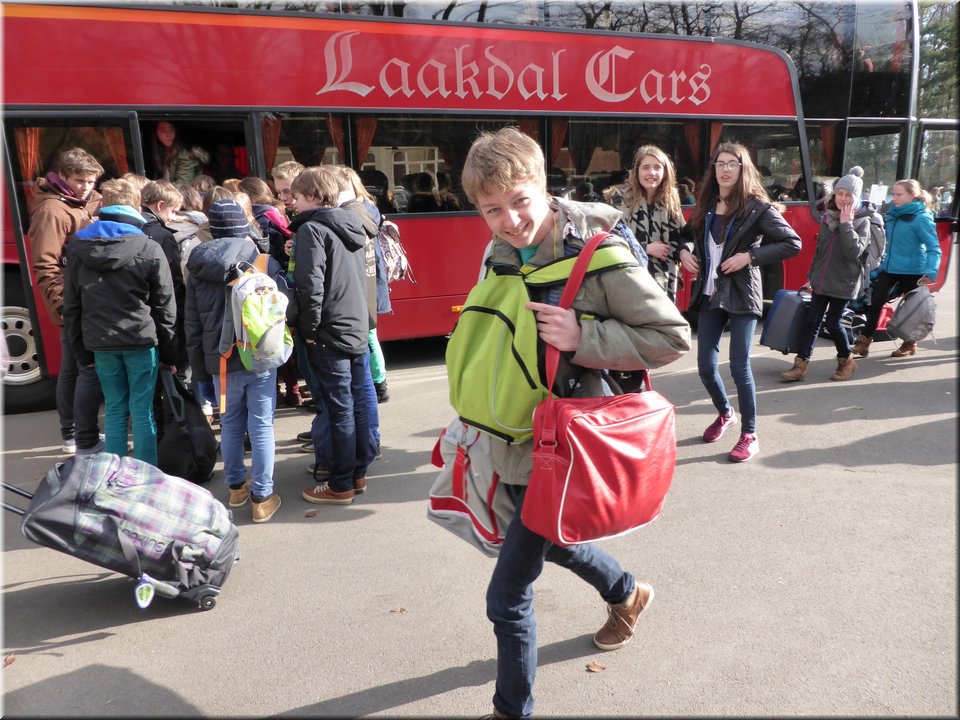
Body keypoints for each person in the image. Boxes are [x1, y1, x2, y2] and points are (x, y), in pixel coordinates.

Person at [458, 127, 690, 720]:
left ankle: (512, 710)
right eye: (491, 209)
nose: (510, 221)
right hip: (511, 436)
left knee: (507, 596)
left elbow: (671, 337)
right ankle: (627, 593)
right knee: (556, 538)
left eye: (520, 201)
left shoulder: (597, 254)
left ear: (544, 188)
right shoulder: (499, 251)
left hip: (563, 444)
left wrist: (583, 335)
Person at [679, 142, 801, 463]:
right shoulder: (707, 204)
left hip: (742, 293)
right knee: (706, 367)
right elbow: (685, 234)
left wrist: (750, 256)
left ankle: (750, 434)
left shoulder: (757, 207)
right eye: (720, 163)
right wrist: (684, 251)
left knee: (739, 366)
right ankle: (725, 413)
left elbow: (793, 243)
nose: (725, 169)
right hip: (710, 293)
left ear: (743, 169)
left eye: (732, 163)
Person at [62, 178, 177, 466]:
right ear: (135, 206)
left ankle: (114, 476)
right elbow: (165, 306)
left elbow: (72, 306)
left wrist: (81, 353)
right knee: (142, 411)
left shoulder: (78, 248)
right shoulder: (148, 247)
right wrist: (170, 353)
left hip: (101, 342)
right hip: (140, 339)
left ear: (103, 205)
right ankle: (146, 475)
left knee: (114, 409)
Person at [184, 199, 283, 523]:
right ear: (243, 225)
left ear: (212, 228)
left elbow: (192, 325)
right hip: (259, 354)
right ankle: (262, 498)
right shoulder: (261, 260)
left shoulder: (197, 267)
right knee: (262, 425)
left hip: (220, 361)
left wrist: (200, 370)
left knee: (229, 424)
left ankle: (237, 488)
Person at [291, 166, 376, 504]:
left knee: (341, 409)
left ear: (313, 196)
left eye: (297, 197)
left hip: (329, 329)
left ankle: (340, 485)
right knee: (358, 405)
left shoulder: (311, 229)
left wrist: (309, 330)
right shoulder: (353, 222)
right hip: (355, 325)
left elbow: (310, 287)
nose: (293, 203)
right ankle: (357, 475)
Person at [29, 147, 105, 455]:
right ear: (62, 176)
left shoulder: (89, 201)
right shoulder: (52, 210)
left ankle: (79, 430)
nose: (86, 187)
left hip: (87, 298)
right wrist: (63, 305)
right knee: (77, 369)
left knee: (79, 368)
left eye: (91, 181)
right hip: (72, 303)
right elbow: (45, 264)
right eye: (79, 181)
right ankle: (72, 432)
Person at [779, 167, 874, 383]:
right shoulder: (827, 218)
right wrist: (811, 278)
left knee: (833, 323)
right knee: (811, 321)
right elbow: (820, 252)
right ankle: (800, 365)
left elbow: (854, 252)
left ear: (856, 197)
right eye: (839, 193)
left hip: (844, 281)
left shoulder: (862, 222)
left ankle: (846, 360)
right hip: (822, 279)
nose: (842, 198)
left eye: (848, 195)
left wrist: (846, 223)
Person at [851, 178, 941, 358]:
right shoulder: (893, 215)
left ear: (912, 195)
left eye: (899, 194)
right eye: (893, 194)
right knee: (874, 301)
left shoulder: (921, 218)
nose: (894, 198)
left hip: (914, 271)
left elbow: (934, 247)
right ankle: (864, 341)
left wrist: (931, 271)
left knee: (912, 309)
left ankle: (909, 343)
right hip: (890, 268)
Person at [238, 176, 301, 408]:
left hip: (262, 284)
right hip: (279, 280)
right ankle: (293, 389)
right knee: (279, 335)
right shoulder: (277, 213)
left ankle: (275, 391)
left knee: (264, 338)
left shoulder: (259, 219)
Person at [608, 145, 686, 302]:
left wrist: (685, 252)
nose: (652, 172)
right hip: (628, 279)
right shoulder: (620, 198)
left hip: (664, 281)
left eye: (657, 167)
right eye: (646, 167)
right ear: (637, 171)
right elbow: (611, 240)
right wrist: (646, 249)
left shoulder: (670, 199)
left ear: (665, 172)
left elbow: (683, 235)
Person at [140, 181, 188, 378]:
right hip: (159, 310)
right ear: (160, 205)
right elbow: (172, 282)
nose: (173, 218)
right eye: (173, 211)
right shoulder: (162, 236)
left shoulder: (131, 227)